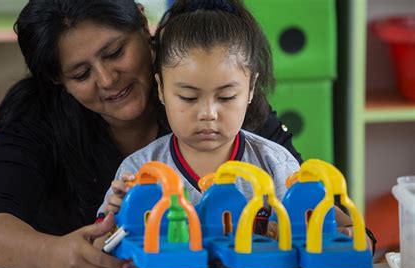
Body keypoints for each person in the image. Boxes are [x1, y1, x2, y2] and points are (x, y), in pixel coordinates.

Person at [0, 0, 302, 268]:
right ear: (58, 79)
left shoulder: (210, 82)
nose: (107, 79)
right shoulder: (36, 115)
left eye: (115, 53)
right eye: (81, 74)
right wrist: (50, 255)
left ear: (143, 24)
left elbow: (309, 199)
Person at [98, 0, 300, 217]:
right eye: (189, 97)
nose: (208, 114)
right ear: (161, 89)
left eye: (226, 97)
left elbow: (309, 238)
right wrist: (116, 220)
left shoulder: (275, 166)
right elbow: (101, 247)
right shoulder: (140, 172)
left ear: (250, 89)